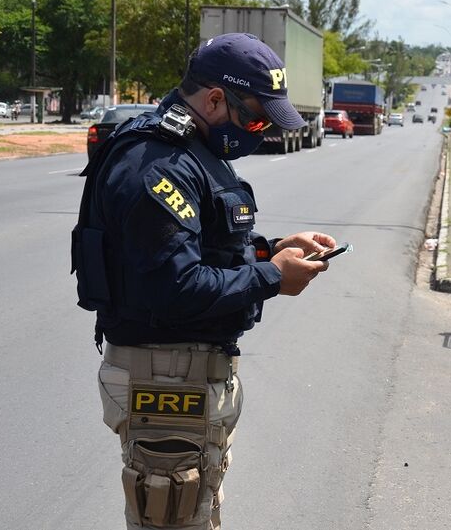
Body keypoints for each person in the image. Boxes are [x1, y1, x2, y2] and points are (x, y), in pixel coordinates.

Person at [73, 32, 335, 530]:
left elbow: (204, 244)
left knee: (194, 510)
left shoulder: (190, 151)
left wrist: (270, 250)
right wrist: (272, 279)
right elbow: (174, 287)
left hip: (184, 372)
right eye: (256, 118)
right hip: (165, 375)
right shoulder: (158, 165)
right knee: (172, 516)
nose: (260, 133)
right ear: (215, 99)